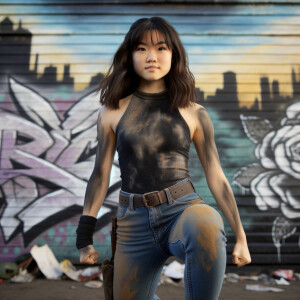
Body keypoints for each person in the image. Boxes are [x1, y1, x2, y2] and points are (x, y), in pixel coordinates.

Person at [76, 17, 251, 300]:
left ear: (174, 54)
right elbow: (100, 174)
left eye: (161, 48)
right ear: (130, 55)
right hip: (133, 220)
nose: (151, 57)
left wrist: (241, 237)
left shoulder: (194, 113)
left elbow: (216, 176)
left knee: (206, 223)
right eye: (142, 48)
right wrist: (84, 237)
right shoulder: (111, 112)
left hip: (182, 210)